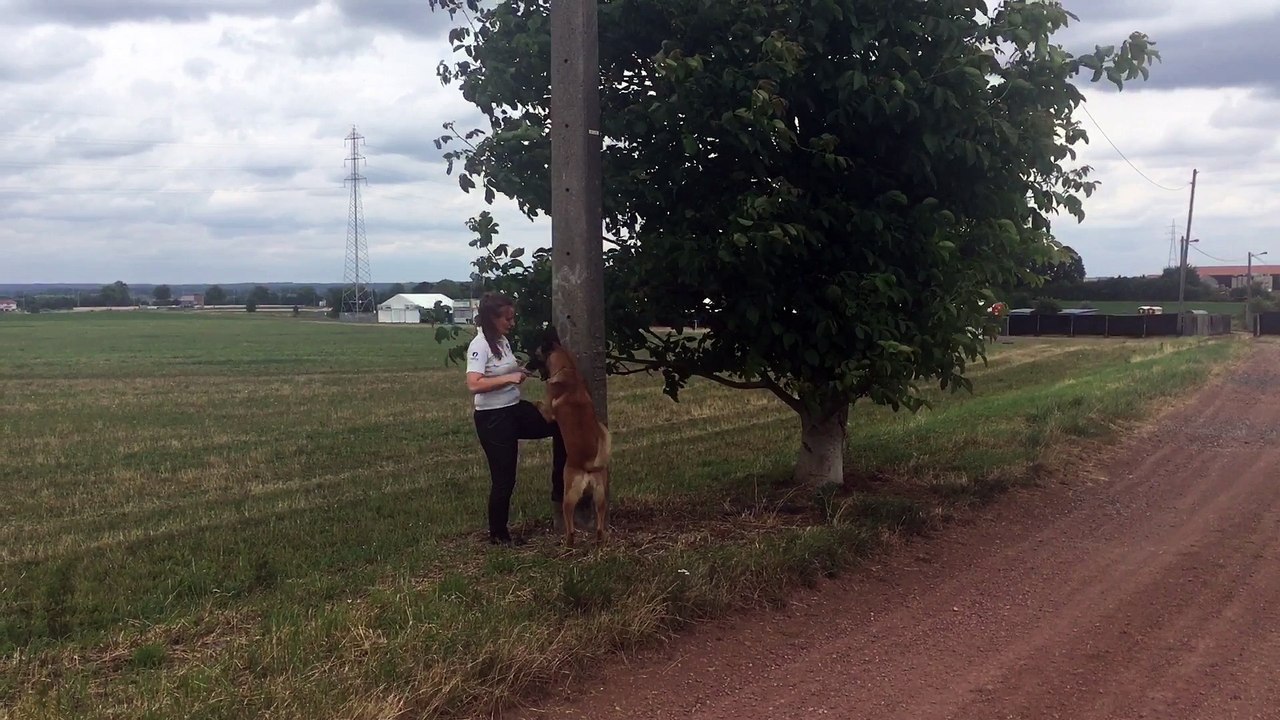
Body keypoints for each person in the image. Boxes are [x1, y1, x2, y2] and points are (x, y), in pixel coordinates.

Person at [466, 292, 567, 545]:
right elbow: (473, 384)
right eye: (507, 319)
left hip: (513, 409)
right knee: (504, 478)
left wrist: (521, 370)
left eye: (513, 318)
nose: (512, 323)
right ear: (491, 318)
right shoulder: (479, 345)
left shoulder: (501, 341)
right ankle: (498, 536)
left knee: (560, 424)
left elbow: (505, 370)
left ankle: (561, 489)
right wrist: (508, 379)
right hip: (493, 419)